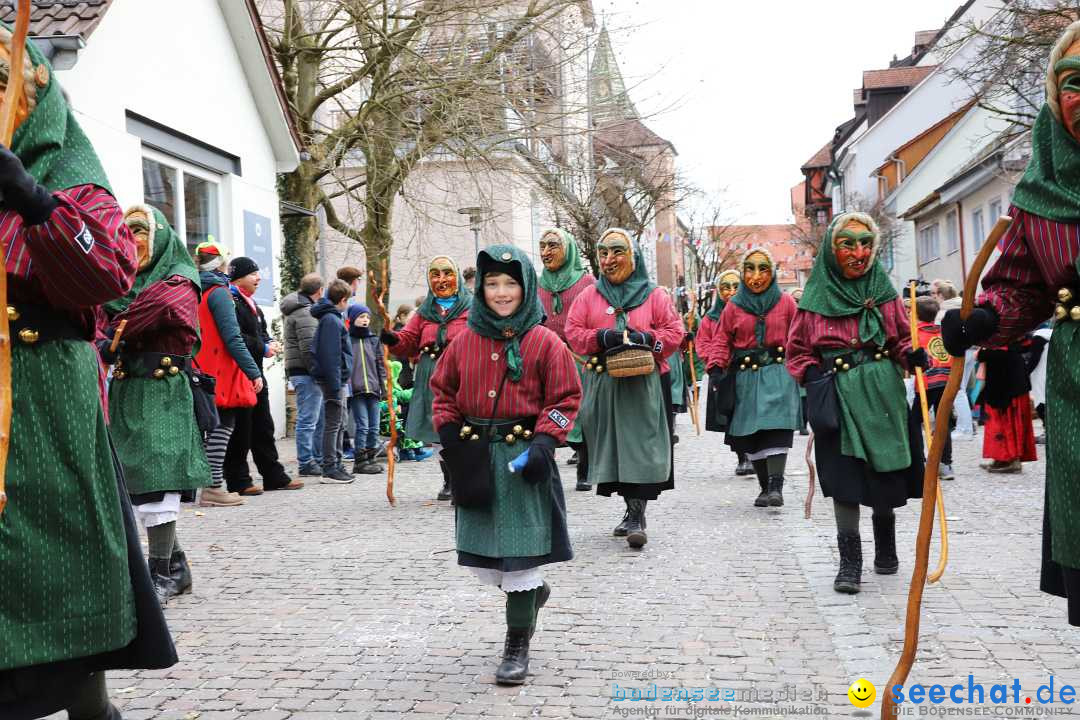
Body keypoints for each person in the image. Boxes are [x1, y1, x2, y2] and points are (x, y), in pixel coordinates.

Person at [0, 35, 176, 719]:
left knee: (60, 560)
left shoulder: (71, 169)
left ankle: (88, 700)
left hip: (47, 400)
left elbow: (105, 273)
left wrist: (31, 198)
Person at [943, 22, 1080, 626]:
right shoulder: (1042, 189)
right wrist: (980, 322)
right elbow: (1022, 285)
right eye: (1074, 83)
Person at [430, 245, 581, 685]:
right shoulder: (463, 341)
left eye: (510, 283)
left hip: (522, 460)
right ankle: (531, 595)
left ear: (526, 286)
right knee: (487, 562)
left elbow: (566, 398)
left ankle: (517, 644)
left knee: (520, 558)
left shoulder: (544, 341)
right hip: (477, 458)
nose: (500, 292)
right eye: (492, 283)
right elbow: (443, 394)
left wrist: (545, 443)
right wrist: (449, 436)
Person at [787, 212, 928, 595]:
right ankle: (850, 563)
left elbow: (899, 337)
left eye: (865, 243)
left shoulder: (883, 290)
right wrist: (813, 375)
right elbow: (796, 350)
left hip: (882, 391)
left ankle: (887, 546)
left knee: (884, 472)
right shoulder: (815, 298)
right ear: (833, 249)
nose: (858, 251)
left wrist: (910, 356)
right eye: (847, 243)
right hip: (836, 394)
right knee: (844, 477)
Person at [104, 205, 210, 605]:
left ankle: (161, 574)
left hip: (162, 393)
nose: (133, 239)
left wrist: (110, 331)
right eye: (127, 231)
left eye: (140, 231)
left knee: (157, 479)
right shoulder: (121, 282)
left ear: (160, 235)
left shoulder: (179, 282)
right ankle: (176, 567)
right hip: (126, 391)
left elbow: (148, 312)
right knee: (136, 482)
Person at [565, 228, 684, 549]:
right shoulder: (588, 296)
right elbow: (573, 331)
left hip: (643, 384)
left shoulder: (654, 295)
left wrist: (649, 339)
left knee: (640, 447)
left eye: (617, 252)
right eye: (603, 253)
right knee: (614, 448)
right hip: (605, 383)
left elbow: (675, 331)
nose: (609, 259)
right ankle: (629, 510)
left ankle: (636, 515)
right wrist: (600, 338)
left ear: (633, 256)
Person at [712, 248, 801, 507]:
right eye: (750, 269)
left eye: (763, 269)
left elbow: (799, 335)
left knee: (775, 427)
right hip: (745, 377)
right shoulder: (734, 305)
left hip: (777, 374)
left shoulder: (785, 302)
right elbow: (722, 338)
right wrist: (716, 368)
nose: (756, 275)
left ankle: (776, 486)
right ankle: (764, 487)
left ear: (772, 272)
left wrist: (805, 364)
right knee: (750, 433)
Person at [381, 256, 471, 501]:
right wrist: (393, 339)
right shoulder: (424, 312)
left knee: (463, 427)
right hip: (431, 374)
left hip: (462, 374)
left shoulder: (471, 307)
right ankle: (450, 479)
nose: (441, 280)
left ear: (457, 277)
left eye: (446, 273)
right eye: (435, 274)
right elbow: (408, 339)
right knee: (439, 429)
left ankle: (467, 478)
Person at [193, 242, 263, 507]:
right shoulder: (219, 293)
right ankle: (213, 488)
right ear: (221, 264)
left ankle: (210, 486)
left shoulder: (195, 288)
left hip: (202, 365)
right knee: (224, 425)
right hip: (220, 369)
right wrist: (253, 371)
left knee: (210, 428)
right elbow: (232, 337)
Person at [223, 256, 301, 493]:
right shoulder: (230, 301)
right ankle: (239, 480)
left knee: (263, 426)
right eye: (253, 274)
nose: (259, 278)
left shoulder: (251, 303)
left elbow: (259, 333)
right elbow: (234, 337)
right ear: (238, 277)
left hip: (256, 373)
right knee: (241, 431)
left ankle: (273, 475)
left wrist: (269, 343)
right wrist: (262, 346)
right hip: (239, 374)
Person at [536, 227, 595, 491]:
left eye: (552, 245)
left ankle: (586, 465)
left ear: (567, 249)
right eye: (542, 246)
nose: (546, 252)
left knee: (581, 416)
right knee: (546, 413)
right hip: (546, 358)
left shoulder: (587, 283)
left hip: (579, 358)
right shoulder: (537, 284)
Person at [697, 270, 754, 476]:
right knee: (732, 417)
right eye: (725, 287)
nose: (730, 291)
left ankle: (755, 455)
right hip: (724, 374)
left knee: (751, 413)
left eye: (735, 286)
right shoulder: (710, 319)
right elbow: (702, 344)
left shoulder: (750, 311)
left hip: (747, 370)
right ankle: (742, 457)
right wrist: (715, 363)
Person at [310, 279, 356, 483]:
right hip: (333, 380)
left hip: (337, 379)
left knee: (339, 421)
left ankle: (336, 463)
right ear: (343, 300)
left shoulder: (332, 318)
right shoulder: (331, 319)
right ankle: (330, 467)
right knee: (334, 422)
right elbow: (330, 355)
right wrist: (335, 383)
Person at [280, 273, 326, 476]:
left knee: (313, 418)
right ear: (319, 291)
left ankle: (315, 458)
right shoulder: (306, 312)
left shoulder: (298, 309)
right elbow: (308, 347)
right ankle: (306, 462)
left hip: (300, 370)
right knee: (308, 419)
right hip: (306, 372)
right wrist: (317, 371)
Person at [910, 296, 956, 480]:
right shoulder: (942, 331)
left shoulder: (915, 333)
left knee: (913, 422)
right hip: (945, 380)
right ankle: (945, 463)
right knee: (942, 420)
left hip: (928, 383)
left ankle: (920, 462)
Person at [974, 341, 1038, 474]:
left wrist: (983, 353)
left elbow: (999, 352)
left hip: (1009, 385)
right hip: (1002, 382)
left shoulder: (1008, 333)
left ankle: (1013, 459)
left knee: (1009, 423)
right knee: (997, 424)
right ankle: (1001, 458)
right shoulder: (1004, 334)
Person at [347, 303, 388, 474]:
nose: (365, 320)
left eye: (367, 317)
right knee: (362, 426)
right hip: (356, 390)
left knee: (374, 426)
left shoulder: (373, 339)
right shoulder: (348, 339)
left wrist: (383, 385)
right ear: (352, 319)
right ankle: (360, 460)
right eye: (361, 317)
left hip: (373, 388)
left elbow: (380, 363)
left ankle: (371, 458)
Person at [932, 279, 975, 436]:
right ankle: (966, 427)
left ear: (941, 295)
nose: (933, 297)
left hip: (957, 351)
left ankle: (965, 429)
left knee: (957, 390)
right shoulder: (963, 306)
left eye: (934, 294)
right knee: (960, 389)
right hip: (970, 350)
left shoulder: (944, 312)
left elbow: (938, 335)